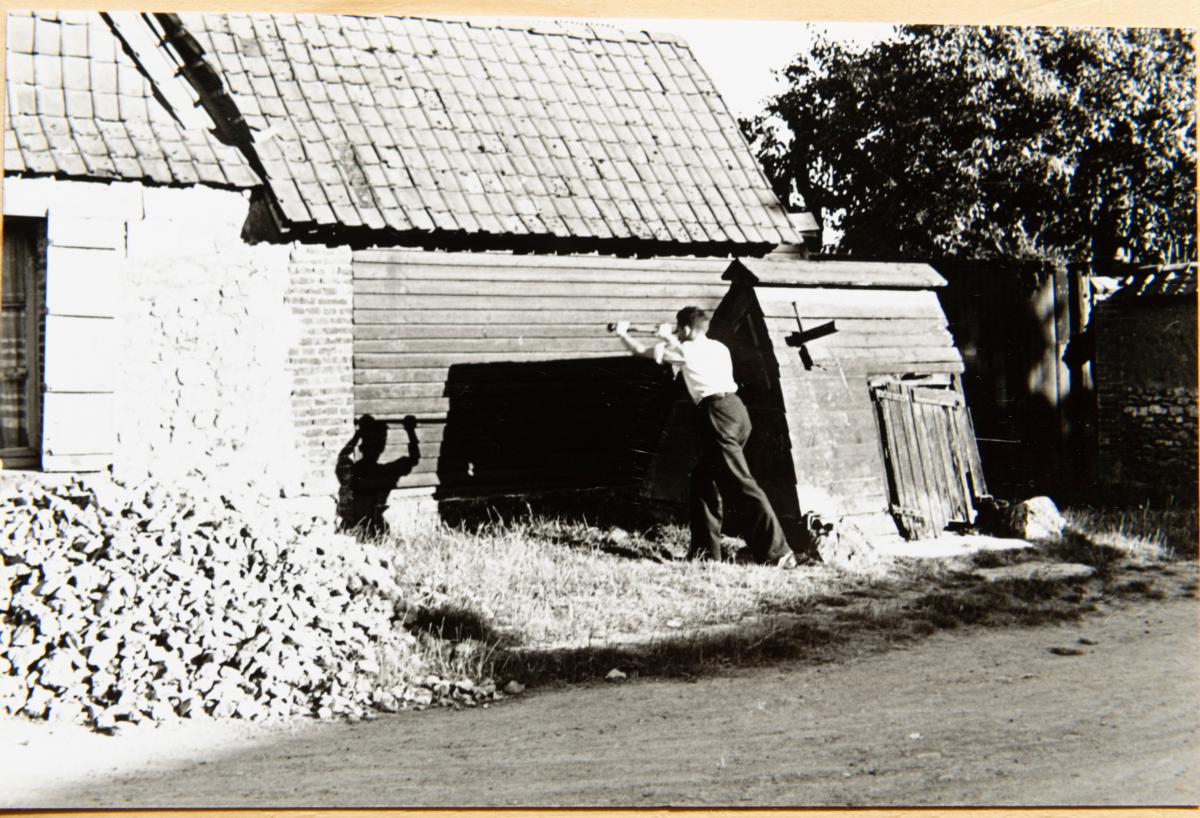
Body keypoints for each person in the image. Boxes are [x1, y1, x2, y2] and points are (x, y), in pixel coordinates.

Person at [614, 307, 798, 568]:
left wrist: (623, 333)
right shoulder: (718, 347)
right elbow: (684, 351)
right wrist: (670, 337)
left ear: (687, 329)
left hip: (717, 415)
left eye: (680, 328)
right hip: (737, 412)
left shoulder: (684, 349)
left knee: (741, 483)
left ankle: (779, 553)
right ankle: (705, 554)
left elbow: (639, 351)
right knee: (703, 480)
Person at [335, 414, 420, 537]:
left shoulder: (356, 470)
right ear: (381, 449)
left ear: (361, 448)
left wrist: (358, 434)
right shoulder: (386, 472)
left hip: (356, 527)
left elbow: (342, 457)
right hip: (375, 527)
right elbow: (414, 459)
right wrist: (410, 430)